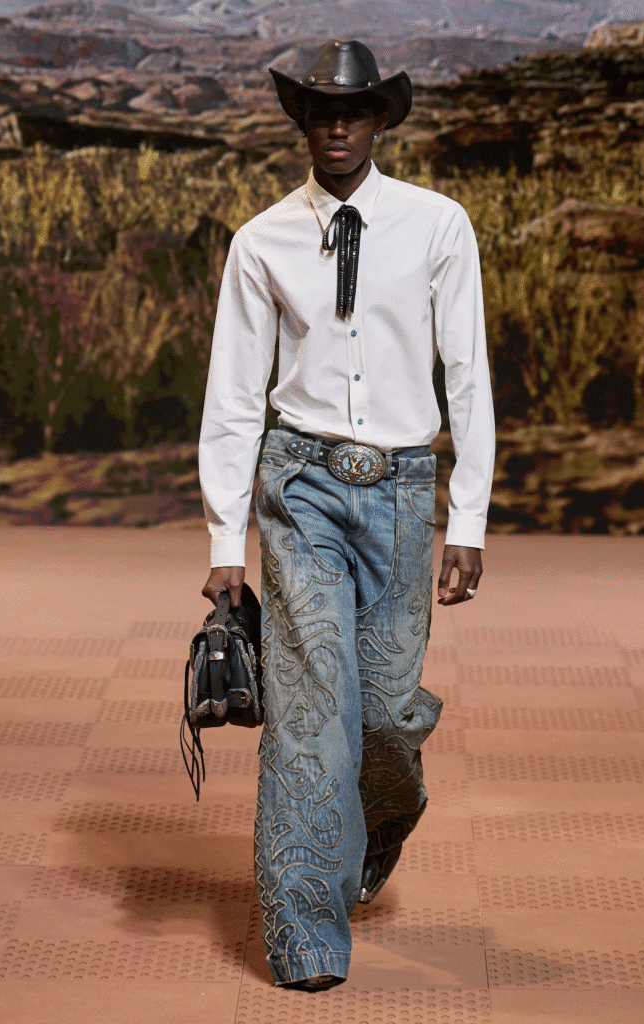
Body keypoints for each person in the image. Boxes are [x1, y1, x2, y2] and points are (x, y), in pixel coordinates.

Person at [199, 39, 495, 992]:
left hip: (406, 494)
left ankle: (380, 812)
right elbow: (236, 395)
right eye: (321, 112)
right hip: (302, 489)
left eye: (354, 112)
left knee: (381, 720)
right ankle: (305, 933)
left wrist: (470, 519)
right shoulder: (264, 240)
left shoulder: (439, 225)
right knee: (308, 713)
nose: (336, 126)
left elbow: (468, 377)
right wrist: (223, 538)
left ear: (379, 122)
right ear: (302, 123)